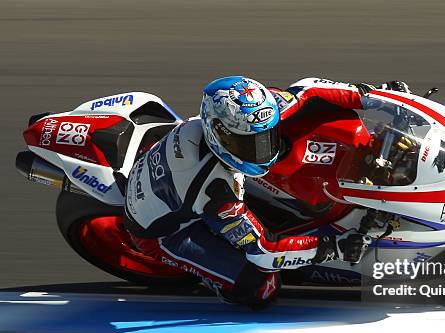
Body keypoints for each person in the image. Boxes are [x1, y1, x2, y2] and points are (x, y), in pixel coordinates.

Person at [123, 76, 409, 309]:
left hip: (176, 177)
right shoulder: (217, 192)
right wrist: (332, 247)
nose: (265, 149)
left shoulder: (254, 111)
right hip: (165, 233)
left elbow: (308, 90)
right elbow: (264, 250)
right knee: (261, 289)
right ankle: (223, 282)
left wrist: (372, 96)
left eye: (267, 136)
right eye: (253, 144)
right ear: (219, 134)